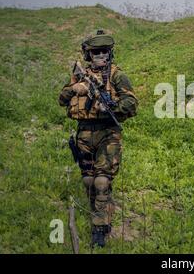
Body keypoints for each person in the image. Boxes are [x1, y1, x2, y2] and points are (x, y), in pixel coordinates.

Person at [59, 30, 138, 247]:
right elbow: (61, 99)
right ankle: (100, 211)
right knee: (88, 181)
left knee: (102, 181)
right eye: (96, 52)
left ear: (110, 53)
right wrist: (74, 88)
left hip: (108, 131)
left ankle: (100, 228)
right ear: (89, 55)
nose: (100, 55)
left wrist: (110, 107)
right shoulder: (79, 75)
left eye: (104, 52)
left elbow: (131, 103)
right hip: (84, 132)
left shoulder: (117, 76)